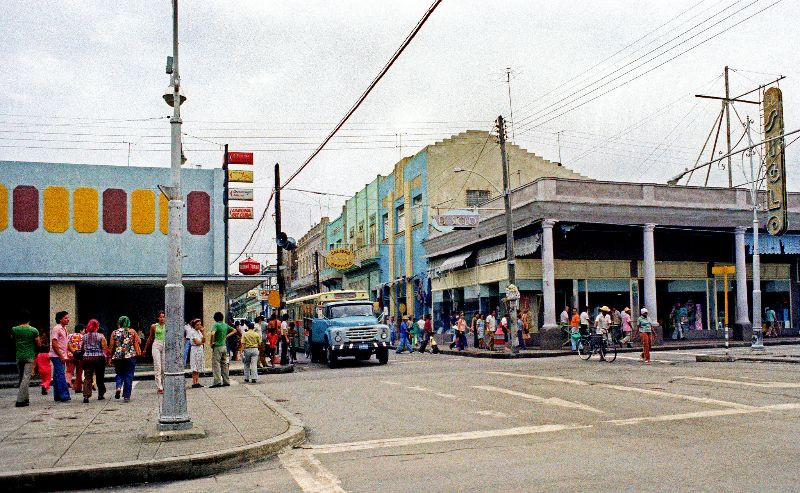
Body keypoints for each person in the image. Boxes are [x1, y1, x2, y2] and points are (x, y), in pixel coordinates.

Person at [109, 315, 141, 402]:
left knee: (119, 373)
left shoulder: (114, 332)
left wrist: (109, 357)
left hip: (118, 357)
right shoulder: (132, 331)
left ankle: (118, 387)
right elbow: (139, 341)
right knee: (129, 375)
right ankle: (126, 396)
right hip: (130, 356)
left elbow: (111, 346)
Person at [11, 310, 39, 407]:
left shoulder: (14, 329)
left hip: (19, 355)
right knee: (26, 377)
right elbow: (38, 343)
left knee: (21, 377)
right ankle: (20, 400)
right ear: (29, 320)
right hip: (29, 355)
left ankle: (26, 398)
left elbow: (12, 339)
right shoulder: (34, 330)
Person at [80, 319, 108, 403]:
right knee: (100, 376)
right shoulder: (101, 336)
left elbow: (82, 348)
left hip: (87, 358)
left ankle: (86, 395)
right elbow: (104, 347)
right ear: (97, 327)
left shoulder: (84, 336)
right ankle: (101, 394)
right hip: (99, 357)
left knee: (87, 377)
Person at [50, 311, 72, 403]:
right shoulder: (57, 329)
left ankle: (57, 395)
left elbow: (66, 343)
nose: (68, 319)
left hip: (61, 354)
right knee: (60, 375)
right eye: (66, 318)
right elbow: (54, 343)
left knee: (56, 375)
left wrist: (73, 351)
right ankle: (64, 395)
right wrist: (60, 355)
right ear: (60, 319)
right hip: (57, 355)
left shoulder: (64, 329)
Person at [210, 312, 235, 387]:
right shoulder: (225, 325)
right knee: (224, 364)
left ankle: (217, 381)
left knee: (216, 364)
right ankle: (226, 381)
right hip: (224, 346)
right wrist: (227, 336)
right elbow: (234, 330)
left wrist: (212, 342)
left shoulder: (216, 325)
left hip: (217, 346)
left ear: (215, 318)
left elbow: (212, 333)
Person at [144, 310, 166, 395]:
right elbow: (150, 337)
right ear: (158, 318)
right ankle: (159, 387)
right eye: (160, 317)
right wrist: (145, 348)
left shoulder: (166, 326)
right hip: (157, 344)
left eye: (163, 317)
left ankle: (164, 385)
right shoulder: (154, 326)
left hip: (164, 344)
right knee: (158, 366)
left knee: (164, 367)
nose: (162, 318)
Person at [66, 323, 85, 394]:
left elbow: (66, 344)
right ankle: (78, 387)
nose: (84, 332)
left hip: (70, 355)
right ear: (80, 330)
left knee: (69, 371)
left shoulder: (69, 336)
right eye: (83, 330)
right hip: (79, 356)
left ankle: (67, 381)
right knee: (79, 373)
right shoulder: (83, 336)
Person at [188, 318, 205, 388]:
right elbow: (196, 342)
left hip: (200, 349)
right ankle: (194, 382)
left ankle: (197, 381)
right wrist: (201, 342)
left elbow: (204, 340)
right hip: (195, 349)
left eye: (200, 324)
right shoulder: (192, 332)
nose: (199, 326)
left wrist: (203, 332)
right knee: (194, 366)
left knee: (198, 365)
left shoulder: (199, 332)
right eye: (197, 325)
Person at [34, 330, 51, 396]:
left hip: (40, 370)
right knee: (48, 380)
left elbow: (35, 362)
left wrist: (34, 369)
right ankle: (44, 385)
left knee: (43, 379)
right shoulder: (47, 355)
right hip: (47, 369)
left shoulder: (38, 355)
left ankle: (44, 390)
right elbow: (50, 359)